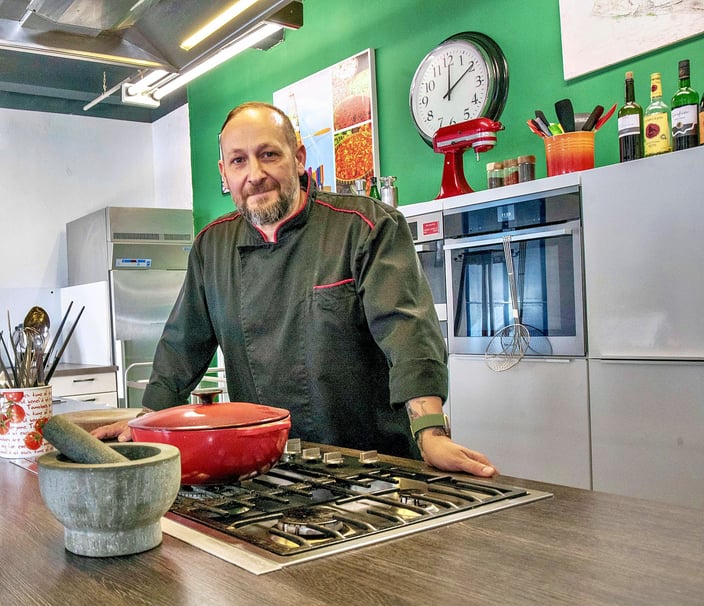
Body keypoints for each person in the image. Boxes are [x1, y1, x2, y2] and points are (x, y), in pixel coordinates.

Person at [91, 101, 496, 478]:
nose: (254, 174)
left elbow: (407, 331)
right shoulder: (211, 247)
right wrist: (144, 420)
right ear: (224, 172)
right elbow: (182, 345)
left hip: (373, 466)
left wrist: (430, 432)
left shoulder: (365, 227)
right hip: (270, 469)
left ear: (298, 159)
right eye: (238, 161)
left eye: (269, 154)